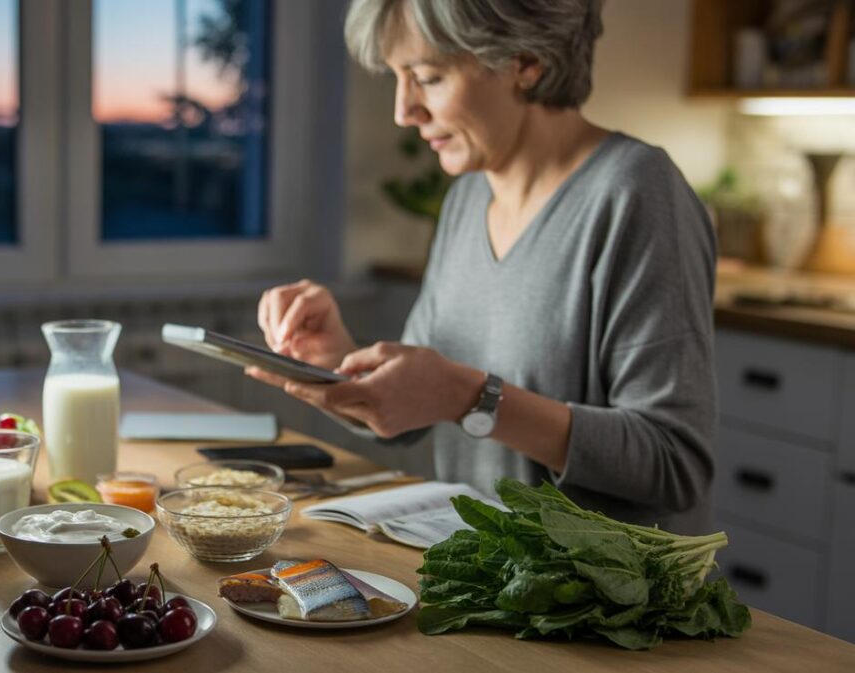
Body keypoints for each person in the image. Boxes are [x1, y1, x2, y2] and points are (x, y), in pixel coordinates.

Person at [247, 0, 717, 534]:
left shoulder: (636, 193)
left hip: (607, 604)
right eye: (399, 77)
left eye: (428, 77)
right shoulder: (468, 198)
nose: (405, 110)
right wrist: (337, 363)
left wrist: (469, 396)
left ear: (524, 61)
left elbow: (674, 464)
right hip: (492, 580)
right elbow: (415, 410)